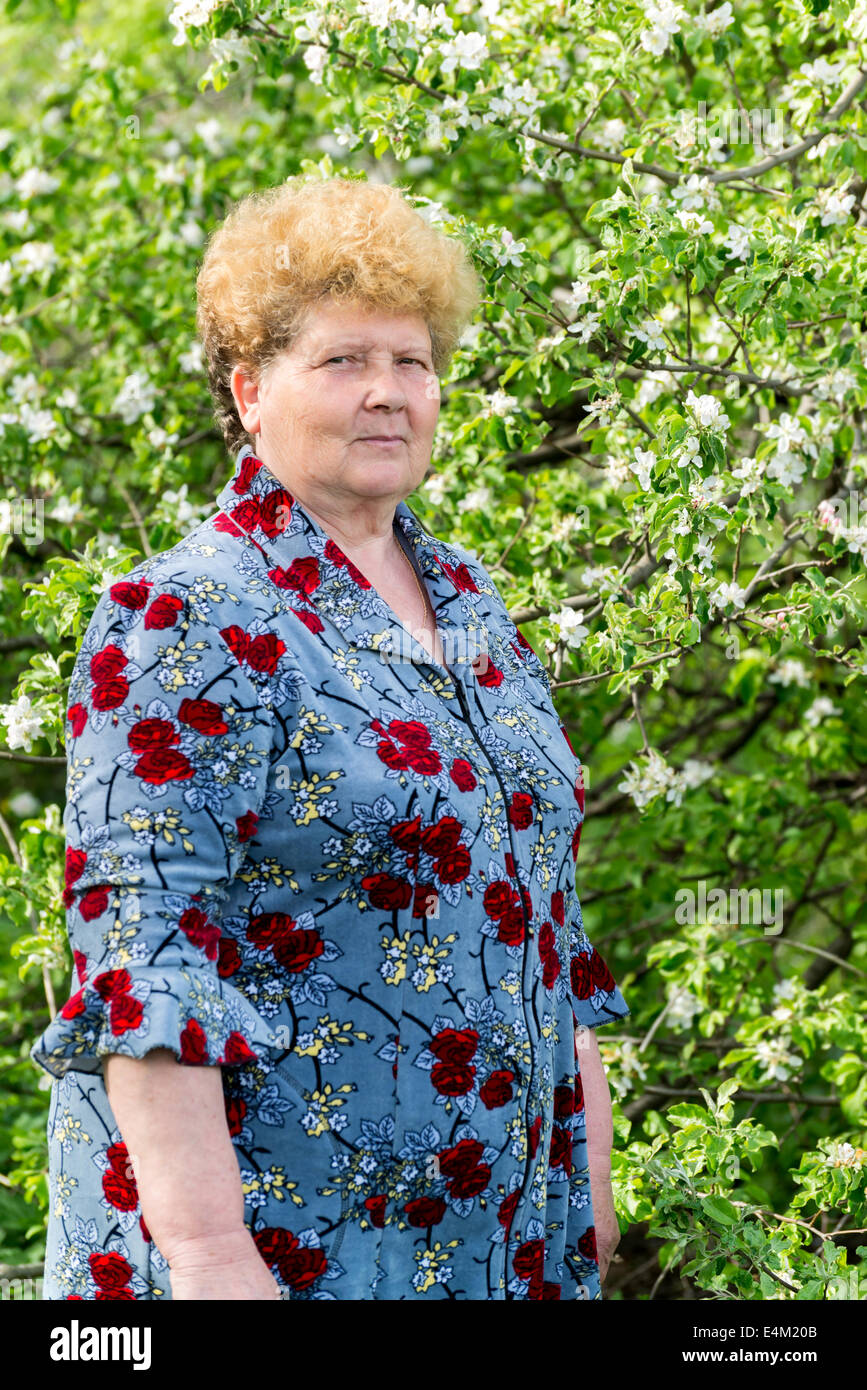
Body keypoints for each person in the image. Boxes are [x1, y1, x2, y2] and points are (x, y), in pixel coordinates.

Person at [31, 174, 631, 1301]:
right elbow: (146, 960)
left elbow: (545, 911)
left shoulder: (470, 599)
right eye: (344, 360)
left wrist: (587, 1183)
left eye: (412, 361)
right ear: (251, 391)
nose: (387, 392)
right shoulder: (187, 615)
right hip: (282, 1247)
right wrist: (210, 1258)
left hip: (492, 1245)